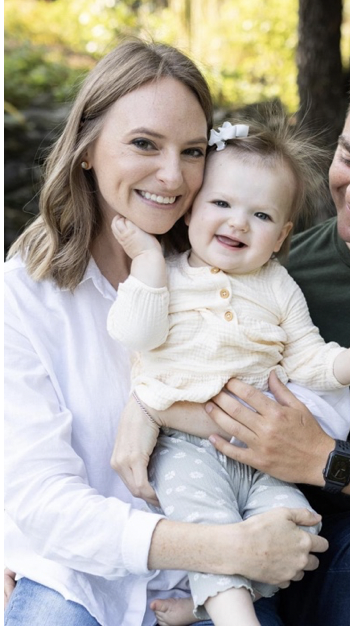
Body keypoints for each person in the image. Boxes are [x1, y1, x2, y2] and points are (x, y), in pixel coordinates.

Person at [111, 45, 350, 625]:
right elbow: (187, 350)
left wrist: (327, 459)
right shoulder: (275, 269)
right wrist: (145, 405)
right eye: (349, 157)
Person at [3, 39, 330, 627]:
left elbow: (318, 410)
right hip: (80, 582)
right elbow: (41, 496)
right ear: (87, 149)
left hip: (213, 592)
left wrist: (152, 407)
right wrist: (227, 547)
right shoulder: (27, 295)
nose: (173, 175)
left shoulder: (232, 269)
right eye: (144, 144)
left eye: (193, 151)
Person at [106, 116, 350, 625]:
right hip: (186, 446)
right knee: (214, 528)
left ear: (281, 235)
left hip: (265, 456)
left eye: (260, 215)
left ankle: (203, 604)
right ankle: (237, 619)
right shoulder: (166, 275)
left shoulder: (279, 286)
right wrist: (147, 264)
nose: (238, 223)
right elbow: (136, 334)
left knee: (296, 530)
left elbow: (307, 358)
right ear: (190, 210)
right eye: (221, 204)